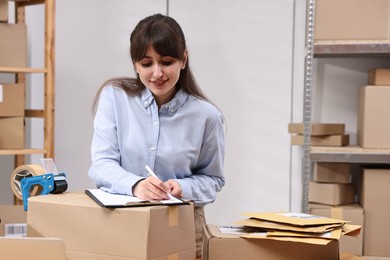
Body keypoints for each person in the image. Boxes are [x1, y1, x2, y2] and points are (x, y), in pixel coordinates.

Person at [88, 13, 225, 257]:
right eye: (146, 63)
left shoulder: (207, 116)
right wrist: (136, 185)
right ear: (135, 64)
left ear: (184, 59)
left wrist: (181, 187)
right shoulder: (114, 98)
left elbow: (213, 180)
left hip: (180, 226)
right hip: (121, 223)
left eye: (166, 61)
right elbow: (101, 165)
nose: (157, 73)